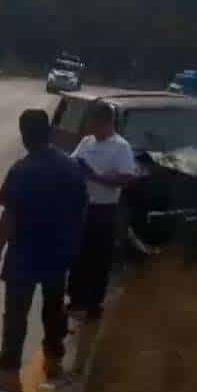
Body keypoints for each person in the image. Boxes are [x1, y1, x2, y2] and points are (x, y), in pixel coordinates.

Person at [0, 109, 88, 392]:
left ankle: (9, 373)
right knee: (54, 310)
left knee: (16, 314)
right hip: (58, 252)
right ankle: (54, 364)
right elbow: (82, 210)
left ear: (24, 136)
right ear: (50, 132)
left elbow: (9, 217)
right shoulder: (71, 167)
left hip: (24, 253)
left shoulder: (22, 170)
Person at [66, 101, 136, 321]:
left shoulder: (121, 147)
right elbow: (72, 162)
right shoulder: (87, 142)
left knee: (99, 258)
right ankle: (76, 299)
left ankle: (94, 303)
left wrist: (95, 176)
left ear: (108, 123)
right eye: (91, 124)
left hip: (104, 209)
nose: (92, 129)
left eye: (96, 124)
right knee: (78, 254)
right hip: (82, 205)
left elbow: (125, 178)